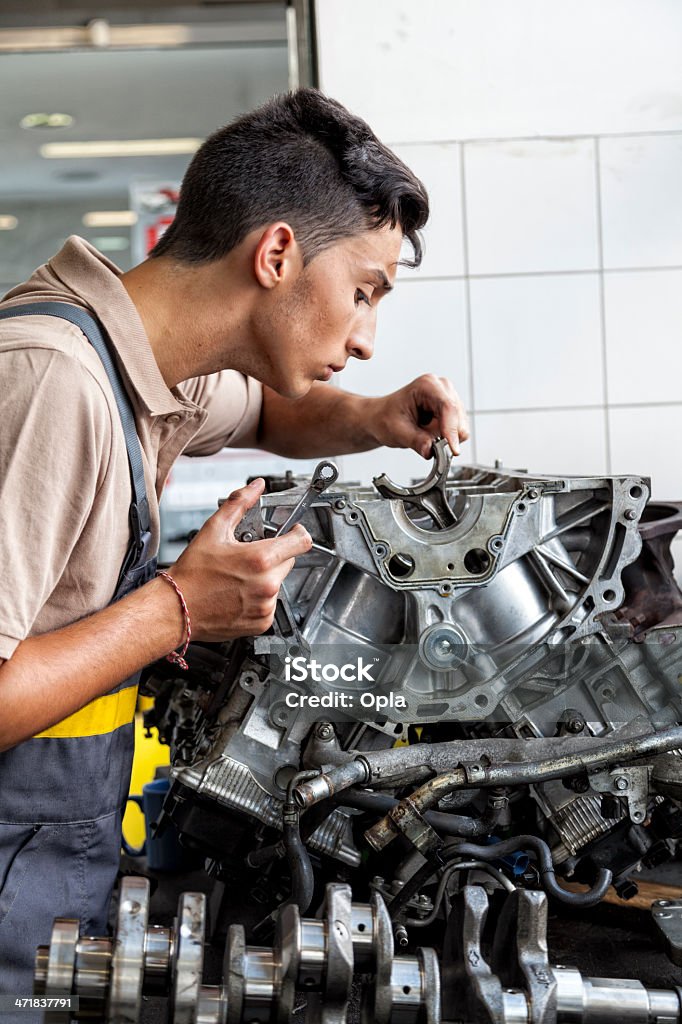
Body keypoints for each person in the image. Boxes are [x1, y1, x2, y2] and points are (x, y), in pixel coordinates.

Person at [0, 88, 468, 996]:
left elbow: (266, 412)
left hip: (49, 856)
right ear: (278, 253)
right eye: (363, 293)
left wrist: (377, 417)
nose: (367, 337)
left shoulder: (145, 359)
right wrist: (179, 605)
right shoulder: (52, 383)